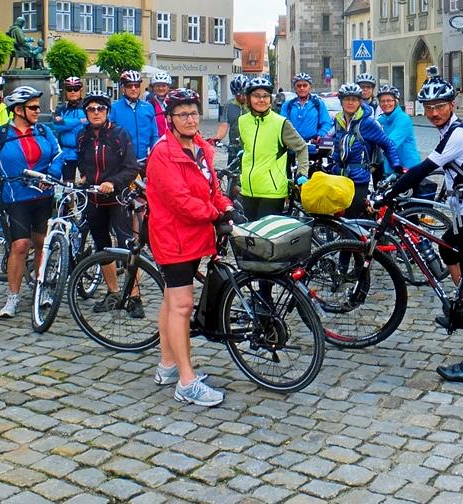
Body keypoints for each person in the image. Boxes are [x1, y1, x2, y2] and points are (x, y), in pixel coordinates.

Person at [386, 75, 463, 384]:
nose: (434, 112)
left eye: (440, 106)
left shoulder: (458, 135)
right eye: (428, 107)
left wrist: (387, 195)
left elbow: (425, 169)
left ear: (453, 105)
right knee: (446, 247)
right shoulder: (449, 130)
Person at [146, 88, 233, 407]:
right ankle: (186, 381)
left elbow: (211, 189)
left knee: (172, 301)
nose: (190, 118)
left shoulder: (201, 148)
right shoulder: (163, 153)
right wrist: (215, 214)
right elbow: (180, 201)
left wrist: (226, 205)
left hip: (194, 235)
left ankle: (167, 366)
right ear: (169, 119)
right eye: (182, 114)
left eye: (193, 113)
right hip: (174, 236)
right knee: (182, 306)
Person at [0, 86, 62, 318]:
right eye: (33, 107)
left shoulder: (44, 131)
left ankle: (41, 287)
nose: (38, 111)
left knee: (41, 243)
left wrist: (53, 173)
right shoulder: (1, 134)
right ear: (18, 110)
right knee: (19, 246)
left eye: (39, 106)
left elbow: (57, 154)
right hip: (16, 197)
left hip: (43, 196)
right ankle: (13, 297)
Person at [75, 93, 143, 317]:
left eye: (100, 109)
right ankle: (113, 292)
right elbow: (82, 163)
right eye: (91, 109)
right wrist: (84, 178)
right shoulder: (82, 137)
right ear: (86, 113)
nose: (96, 112)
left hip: (118, 198)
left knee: (126, 246)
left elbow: (131, 167)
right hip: (94, 199)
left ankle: (133, 296)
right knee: (103, 247)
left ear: (107, 112)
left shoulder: (118, 134)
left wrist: (111, 182)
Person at [237, 76, 309, 220]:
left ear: (270, 99)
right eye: (256, 96)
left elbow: (301, 148)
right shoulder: (242, 121)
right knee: (250, 236)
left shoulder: (280, 123)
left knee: (265, 239)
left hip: (272, 191)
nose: (261, 100)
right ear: (249, 98)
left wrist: (302, 173)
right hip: (248, 190)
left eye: (265, 96)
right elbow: (246, 147)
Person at [329, 83, 403, 217]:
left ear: (359, 101)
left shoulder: (368, 122)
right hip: (339, 175)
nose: (350, 102)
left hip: (358, 177)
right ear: (341, 101)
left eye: (354, 99)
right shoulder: (338, 120)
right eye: (347, 99)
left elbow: (387, 144)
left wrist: (396, 166)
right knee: (337, 216)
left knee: (354, 217)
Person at [109, 70, 158, 163]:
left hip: (146, 160)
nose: (133, 88)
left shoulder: (148, 107)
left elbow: (154, 135)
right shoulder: (114, 108)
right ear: (123, 88)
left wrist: (154, 154)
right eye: (129, 86)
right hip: (123, 162)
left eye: (136, 85)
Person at [375, 85, 422, 177]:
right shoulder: (382, 119)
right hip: (391, 168)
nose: (385, 104)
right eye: (382, 101)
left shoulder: (403, 119)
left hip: (408, 166)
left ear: (396, 102)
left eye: (389, 100)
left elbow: (390, 143)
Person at [52, 77, 89, 181]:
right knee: (68, 185)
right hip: (67, 153)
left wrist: (67, 123)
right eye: (69, 89)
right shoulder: (61, 108)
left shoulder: (87, 107)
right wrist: (79, 121)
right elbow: (58, 125)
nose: (73, 92)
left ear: (81, 90)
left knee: (86, 183)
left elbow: (91, 125)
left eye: (76, 88)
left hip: (85, 152)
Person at [281, 73, 332, 143]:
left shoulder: (318, 104)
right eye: (299, 86)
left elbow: (326, 123)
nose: (302, 88)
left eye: (305, 85)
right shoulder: (288, 105)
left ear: (310, 87)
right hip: (292, 144)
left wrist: (320, 134)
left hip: (312, 143)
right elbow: (282, 124)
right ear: (295, 88)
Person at [214, 74, 247, 152]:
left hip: (251, 145)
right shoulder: (229, 105)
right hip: (234, 145)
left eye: (244, 94)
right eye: (238, 95)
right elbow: (224, 125)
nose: (242, 97)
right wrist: (217, 139)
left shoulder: (253, 105)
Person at [146, 71, 173, 137]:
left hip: (174, 141)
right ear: (153, 88)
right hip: (157, 142)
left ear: (168, 87)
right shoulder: (148, 105)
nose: (160, 88)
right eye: (157, 86)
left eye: (164, 86)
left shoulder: (174, 102)